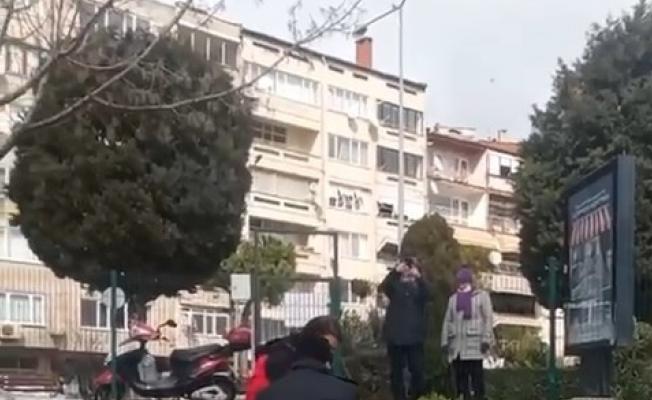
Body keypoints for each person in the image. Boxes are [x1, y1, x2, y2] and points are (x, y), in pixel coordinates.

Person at [245, 315, 345, 400]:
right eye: (325, 346)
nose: (327, 353)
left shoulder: (311, 360)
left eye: (332, 349)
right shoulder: (280, 358)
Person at [380, 257, 430, 400]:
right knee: (396, 373)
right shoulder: (395, 287)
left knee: (417, 371)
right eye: (406, 268)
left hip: (415, 338)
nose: (408, 271)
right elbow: (384, 286)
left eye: (410, 267)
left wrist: (418, 276)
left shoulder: (419, 288)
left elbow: (429, 293)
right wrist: (396, 271)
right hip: (395, 337)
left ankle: (417, 396)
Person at [441, 267, 495, 400]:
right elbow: (447, 320)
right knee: (460, 383)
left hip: (475, 346)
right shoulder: (453, 299)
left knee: (477, 382)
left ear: (471, 281)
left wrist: (486, 339)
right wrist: (444, 341)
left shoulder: (481, 296)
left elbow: (488, 319)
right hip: (457, 348)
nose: (462, 284)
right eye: (460, 281)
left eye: (464, 281)